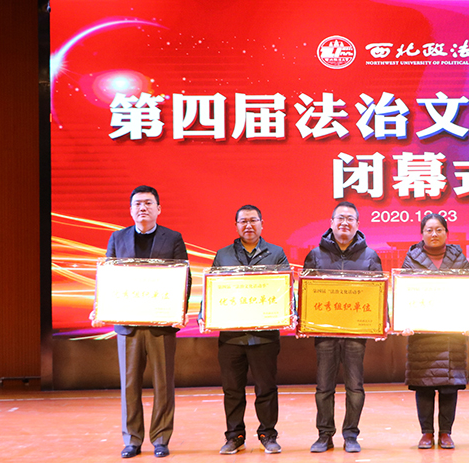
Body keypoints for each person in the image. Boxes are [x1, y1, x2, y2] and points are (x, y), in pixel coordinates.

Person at [90, 185, 190, 459]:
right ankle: (132, 439)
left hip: (162, 324)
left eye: (148, 203)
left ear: (159, 208)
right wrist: (100, 306)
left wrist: (179, 310)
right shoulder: (118, 237)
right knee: (129, 384)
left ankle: (161, 438)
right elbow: (108, 277)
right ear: (131, 209)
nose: (142, 208)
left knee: (163, 384)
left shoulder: (173, 238)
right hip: (128, 325)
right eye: (137, 203)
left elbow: (184, 276)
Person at [198, 205, 289, 455]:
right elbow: (212, 290)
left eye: (253, 220)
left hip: (265, 337)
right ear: (236, 225)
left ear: (262, 223)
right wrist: (205, 315)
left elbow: (285, 290)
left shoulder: (276, 253)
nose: (248, 225)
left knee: (266, 389)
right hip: (231, 338)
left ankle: (268, 435)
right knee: (232, 390)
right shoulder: (223, 255)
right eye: (243, 221)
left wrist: (287, 313)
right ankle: (234, 436)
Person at [303, 201, 383, 453]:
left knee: (355, 387)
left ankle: (351, 435)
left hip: (356, 333)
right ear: (331, 223)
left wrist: (380, 322)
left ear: (358, 224)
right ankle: (324, 435)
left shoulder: (370, 256)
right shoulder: (315, 255)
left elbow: (378, 295)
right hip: (324, 333)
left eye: (350, 218)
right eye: (340, 218)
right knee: (323, 387)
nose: (344, 223)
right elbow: (306, 294)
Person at [400, 213, 469, 450]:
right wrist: (404, 322)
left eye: (439, 229)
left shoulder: (459, 258)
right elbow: (404, 295)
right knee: (424, 384)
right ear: (422, 234)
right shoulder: (411, 259)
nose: (434, 234)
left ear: (446, 233)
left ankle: (446, 433)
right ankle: (427, 433)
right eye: (429, 230)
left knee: (450, 385)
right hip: (422, 335)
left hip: (452, 334)